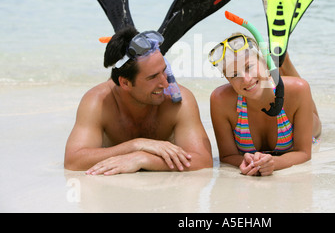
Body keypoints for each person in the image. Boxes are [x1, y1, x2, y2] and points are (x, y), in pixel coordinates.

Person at [64, 26, 212, 175]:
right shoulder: (98, 102)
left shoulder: (179, 102)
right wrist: (137, 145)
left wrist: (143, 158)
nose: (165, 83)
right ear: (125, 83)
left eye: (164, 71)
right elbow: (73, 161)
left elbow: (203, 160)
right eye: (153, 77)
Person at [208, 33, 321, 176]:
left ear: (265, 62)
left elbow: (304, 152)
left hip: (295, 112)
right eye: (235, 75)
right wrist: (246, 161)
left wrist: (274, 163)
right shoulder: (220, 100)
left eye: (249, 67)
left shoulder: (299, 89)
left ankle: (283, 61)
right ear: (227, 79)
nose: (246, 79)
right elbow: (227, 156)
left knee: (314, 121)